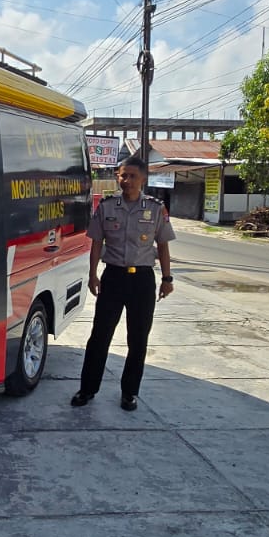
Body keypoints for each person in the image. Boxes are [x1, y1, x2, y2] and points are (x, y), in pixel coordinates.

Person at [71, 155, 174, 411]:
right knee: (99, 336)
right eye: (122, 175)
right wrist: (93, 274)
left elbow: (162, 245)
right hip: (113, 277)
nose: (125, 180)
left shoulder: (155, 208)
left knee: (138, 339)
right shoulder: (106, 206)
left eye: (131, 176)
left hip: (142, 280)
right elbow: (96, 243)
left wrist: (167, 278)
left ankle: (129, 392)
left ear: (143, 179)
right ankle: (87, 389)